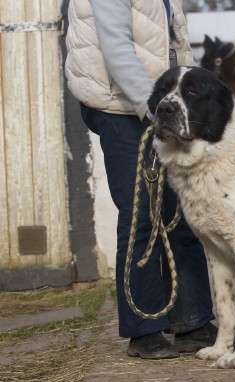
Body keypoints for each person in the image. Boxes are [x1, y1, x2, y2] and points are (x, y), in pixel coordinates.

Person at [65, 0, 215, 359]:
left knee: (179, 211)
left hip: (160, 103)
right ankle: (142, 329)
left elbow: (176, 47)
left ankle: (192, 321)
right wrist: (155, 107)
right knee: (141, 212)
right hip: (118, 105)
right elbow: (116, 49)